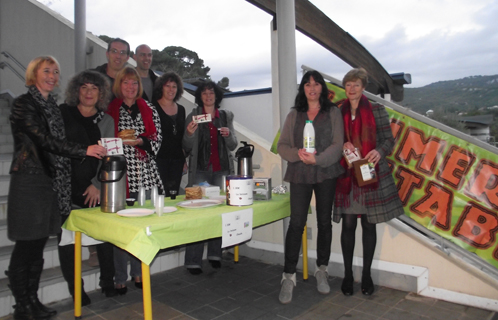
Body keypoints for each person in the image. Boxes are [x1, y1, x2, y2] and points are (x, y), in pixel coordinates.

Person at [7, 56, 106, 319]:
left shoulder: (52, 106)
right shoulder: (23, 104)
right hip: (29, 179)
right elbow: (43, 140)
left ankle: (32, 301)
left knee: (37, 246)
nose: (52, 76)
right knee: (27, 246)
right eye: (46, 71)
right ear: (33, 74)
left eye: (56, 72)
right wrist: (83, 150)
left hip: (49, 181)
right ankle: (22, 305)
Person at [333, 68, 404, 296]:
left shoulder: (376, 109)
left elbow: (388, 140)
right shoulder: (337, 111)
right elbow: (331, 141)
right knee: (349, 224)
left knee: (369, 225)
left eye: (355, 85)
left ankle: (366, 275)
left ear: (363, 87)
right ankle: (347, 275)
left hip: (369, 174)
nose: (351, 89)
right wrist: (342, 144)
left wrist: (378, 152)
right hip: (346, 176)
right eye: (348, 85)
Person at [276, 70, 344, 304]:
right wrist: (297, 154)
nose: (312, 88)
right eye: (307, 84)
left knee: (324, 222)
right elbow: (281, 146)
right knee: (296, 223)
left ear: (322, 88)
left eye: (316, 84)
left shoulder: (333, 112)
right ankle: (288, 276)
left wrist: (318, 159)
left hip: (326, 172)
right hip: (299, 173)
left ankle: (321, 269)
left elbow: (338, 144)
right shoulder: (294, 115)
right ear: (302, 88)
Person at [58, 70, 117, 305]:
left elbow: (111, 158)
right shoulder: (63, 114)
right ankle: (77, 290)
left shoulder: (106, 120)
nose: (89, 92)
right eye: (85, 87)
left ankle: (108, 282)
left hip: (94, 189)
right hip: (65, 187)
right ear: (77, 91)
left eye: (95, 88)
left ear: (101, 93)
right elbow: (56, 147)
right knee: (67, 240)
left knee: (104, 237)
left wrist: (97, 185)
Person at [107, 66, 163, 294]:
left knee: (143, 225)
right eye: (125, 83)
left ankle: (139, 271)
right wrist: (118, 143)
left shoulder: (149, 108)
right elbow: (103, 141)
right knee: (121, 226)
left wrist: (140, 142)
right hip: (119, 174)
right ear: (119, 85)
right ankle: (120, 275)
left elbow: (157, 141)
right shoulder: (110, 109)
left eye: (134, 84)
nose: (130, 87)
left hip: (145, 172)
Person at [183, 81, 237, 275]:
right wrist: (189, 133)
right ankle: (192, 260)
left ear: (217, 96)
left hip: (221, 171)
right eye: (204, 93)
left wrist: (228, 135)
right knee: (196, 215)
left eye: (211, 92)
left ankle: (215, 254)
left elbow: (233, 145)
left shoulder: (225, 116)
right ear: (200, 96)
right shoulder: (193, 115)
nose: (208, 96)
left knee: (220, 213)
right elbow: (187, 145)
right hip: (199, 171)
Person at [152, 71, 186, 196]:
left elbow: (181, 138)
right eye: (167, 86)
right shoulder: (152, 108)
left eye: (174, 86)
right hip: (158, 160)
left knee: (173, 195)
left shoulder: (181, 110)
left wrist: (184, 160)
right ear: (161, 87)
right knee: (160, 195)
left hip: (177, 161)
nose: (171, 89)